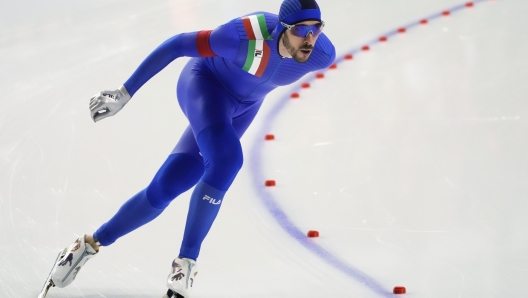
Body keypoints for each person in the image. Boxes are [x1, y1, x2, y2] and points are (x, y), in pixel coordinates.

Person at [42, 0, 335, 297]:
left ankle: (87, 245)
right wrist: (123, 93)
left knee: (166, 187)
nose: (310, 39)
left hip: (243, 108)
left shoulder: (321, 54)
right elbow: (176, 45)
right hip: (204, 86)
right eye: (302, 30)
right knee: (227, 161)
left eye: (316, 29)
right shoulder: (242, 38)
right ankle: (185, 265)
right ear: (283, 28)